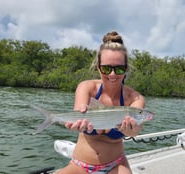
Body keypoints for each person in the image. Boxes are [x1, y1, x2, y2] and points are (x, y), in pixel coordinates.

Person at [57, 31, 145, 174]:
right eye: (106, 68)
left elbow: (135, 130)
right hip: (79, 165)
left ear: (126, 69)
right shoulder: (86, 87)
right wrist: (78, 124)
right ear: (98, 67)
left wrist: (133, 131)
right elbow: (78, 114)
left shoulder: (135, 98)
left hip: (116, 165)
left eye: (119, 69)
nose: (112, 74)